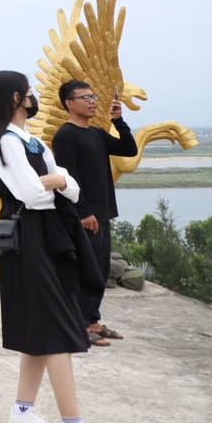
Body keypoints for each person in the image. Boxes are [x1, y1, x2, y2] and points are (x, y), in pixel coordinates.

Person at [0, 69, 124, 423]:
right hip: (29, 238)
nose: (34, 96)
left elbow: (70, 189)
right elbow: (31, 194)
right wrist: (57, 180)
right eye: (28, 91)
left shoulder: (32, 141)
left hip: (49, 235)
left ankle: (23, 413)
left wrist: (56, 181)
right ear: (16, 97)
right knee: (58, 328)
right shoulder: (6, 141)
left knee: (43, 328)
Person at [50, 80, 138, 347]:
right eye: (85, 97)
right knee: (83, 272)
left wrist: (118, 120)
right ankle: (77, 324)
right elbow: (68, 177)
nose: (92, 102)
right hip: (84, 216)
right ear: (69, 103)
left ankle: (92, 320)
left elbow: (129, 149)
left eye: (93, 97)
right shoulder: (66, 136)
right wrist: (84, 212)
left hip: (103, 213)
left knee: (99, 270)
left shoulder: (97, 133)